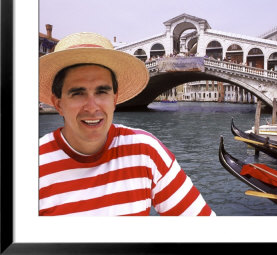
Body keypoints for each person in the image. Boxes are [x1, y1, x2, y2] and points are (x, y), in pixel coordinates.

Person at [39, 32, 215, 216]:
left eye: (102, 92)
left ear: (115, 99)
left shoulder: (145, 150)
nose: (92, 107)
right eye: (78, 93)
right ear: (58, 103)